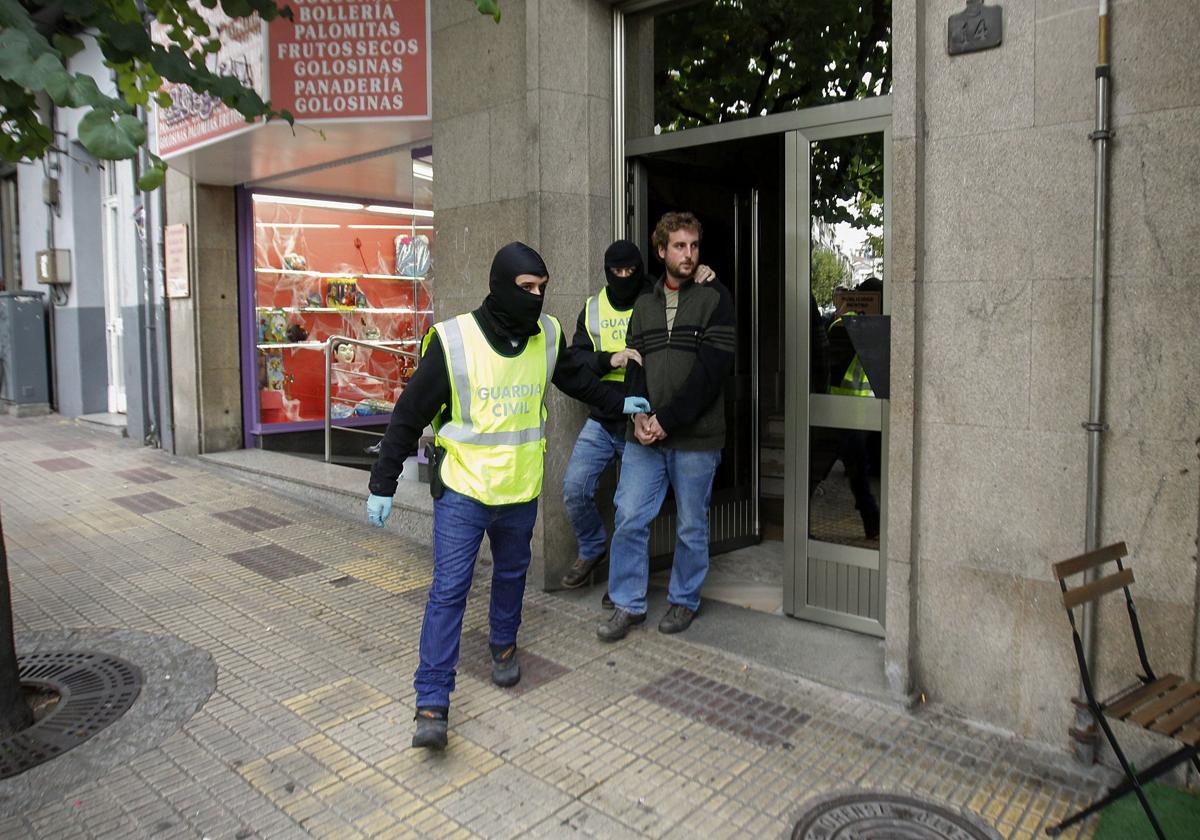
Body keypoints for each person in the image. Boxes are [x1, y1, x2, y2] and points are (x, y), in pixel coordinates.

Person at [365, 242, 650, 750]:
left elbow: (576, 379)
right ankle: (432, 700)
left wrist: (616, 400)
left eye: (542, 289)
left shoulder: (548, 335)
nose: (537, 299)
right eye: (527, 289)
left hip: (520, 490)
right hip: (463, 493)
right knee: (449, 591)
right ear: (500, 286)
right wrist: (383, 481)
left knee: (512, 576)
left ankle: (503, 645)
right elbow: (409, 414)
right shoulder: (454, 342)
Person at [597, 212, 735, 642]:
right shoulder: (643, 305)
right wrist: (639, 415)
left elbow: (711, 374)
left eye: (694, 246)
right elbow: (634, 366)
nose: (688, 254)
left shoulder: (716, 298)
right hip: (645, 436)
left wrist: (666, 420)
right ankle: (627, 604)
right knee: (630, 515)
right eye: (679, 246)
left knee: (692, 524)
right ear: (661, 251)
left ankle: (684, 600)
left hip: (696, 437)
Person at [559, 241, 716, 591]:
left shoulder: (656, 297)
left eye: (631, 271)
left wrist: (707, 279)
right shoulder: (593, 307)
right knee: (574, 488)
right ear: (607, 271)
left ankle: (623, 585)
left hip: (642, 421)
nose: (625, 277)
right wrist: (608, 359)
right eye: (617, 272)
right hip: (603, 417)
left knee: (631, 512)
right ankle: (592, 548)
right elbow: (574, 360)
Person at [824, 276, 882, 539]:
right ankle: (872, 519)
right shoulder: (845, 327)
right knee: (856, 470)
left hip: (862, 414)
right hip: (846, 413)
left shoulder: (868, 327)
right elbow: (834, 363)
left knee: (858, 470)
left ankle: (872, 519)